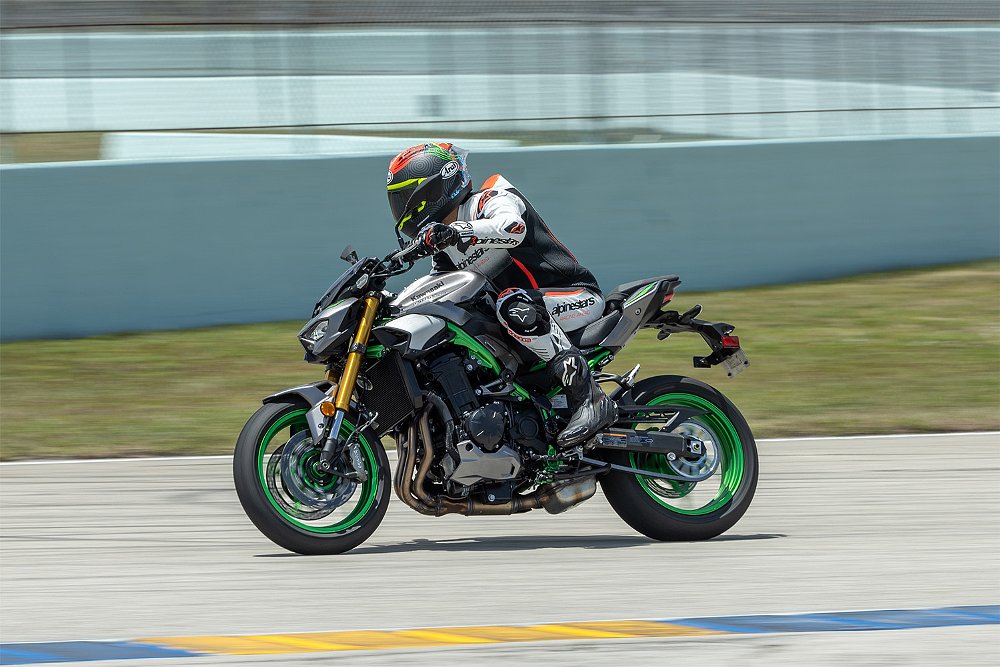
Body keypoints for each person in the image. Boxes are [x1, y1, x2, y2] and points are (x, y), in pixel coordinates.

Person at [386, 142, 616, 448]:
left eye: (404, 198)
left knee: (511, 303)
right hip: (526, 317)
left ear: (431, 190)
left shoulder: (491, 197)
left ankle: (589, 398)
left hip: (574, 297)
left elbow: (512, 227)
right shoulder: (446, 248)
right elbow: (438, 289)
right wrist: (393, 305)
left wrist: (457, 231)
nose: (401, 209)